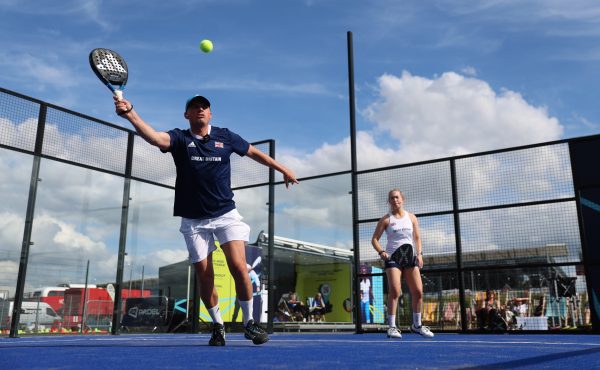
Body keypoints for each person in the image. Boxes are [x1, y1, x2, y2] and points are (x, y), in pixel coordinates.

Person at [114, 94, 298, 346]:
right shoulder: (179, 138)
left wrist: (283, 169)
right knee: (205, 275)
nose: (200, 110)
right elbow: (154, 137)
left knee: (238, 266)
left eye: (204, 107)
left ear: (210, 114)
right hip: (193, 220)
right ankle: (218, 326)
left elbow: (254, 152)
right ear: (186, 114)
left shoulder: (226, 136)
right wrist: (130, 113)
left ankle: (249, 324)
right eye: (194, 107)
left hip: (225, 214)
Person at [371, 189, 434, 339]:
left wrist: (419, 254)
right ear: (389, 201)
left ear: (402, 199)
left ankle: (417, 325)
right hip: (393, 259)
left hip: (410, 258)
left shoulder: (411, 217)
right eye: (392, 198)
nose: (395, 200)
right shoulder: (386, 220)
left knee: (418, 292)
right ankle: (392, 327)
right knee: (395, 291)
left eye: (397, 197)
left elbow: (417, 238)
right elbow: (374, 239)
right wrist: (381, 252)